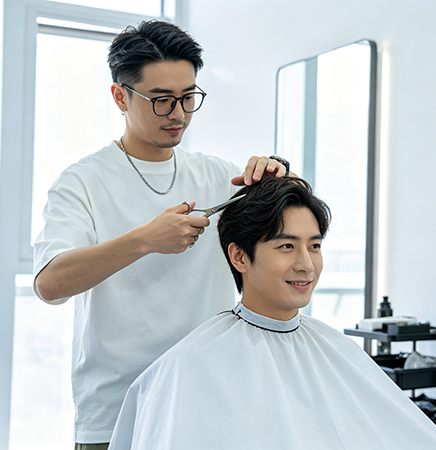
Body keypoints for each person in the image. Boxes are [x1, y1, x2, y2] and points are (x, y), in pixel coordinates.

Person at [32, 20, 290, 449]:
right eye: (161, 100)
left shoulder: (218, 176)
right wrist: (144, 240)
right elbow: (50, 284)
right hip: (116, 414)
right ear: (120, 96)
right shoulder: (83, 182)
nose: (179, 114)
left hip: (208, 404)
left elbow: (291, 227)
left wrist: (281, 176)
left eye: (188, 97)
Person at [107, 177, 436, 450]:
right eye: (287, 246)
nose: (306, 264)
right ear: (240, 257)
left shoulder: (337, 350)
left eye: (315, 246)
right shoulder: (190, 366)